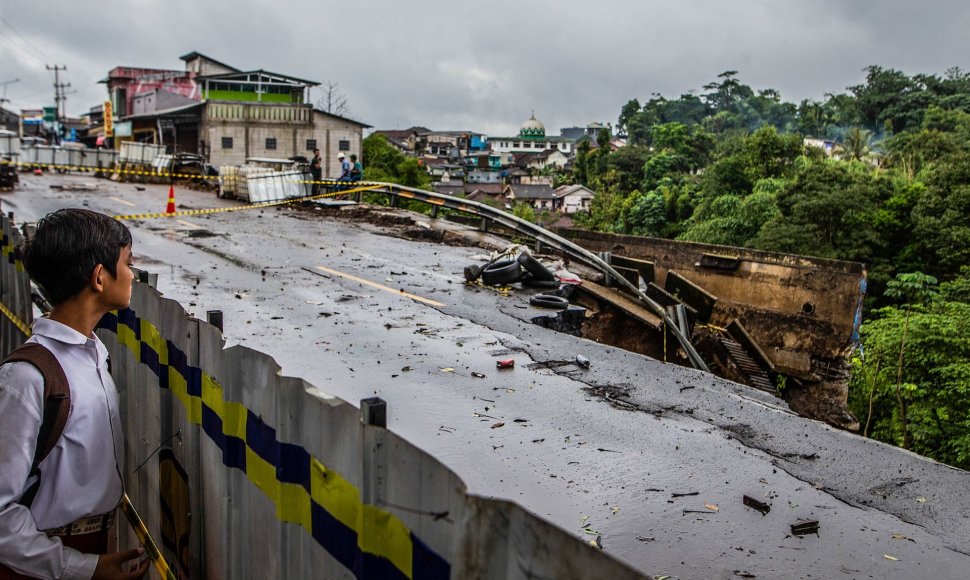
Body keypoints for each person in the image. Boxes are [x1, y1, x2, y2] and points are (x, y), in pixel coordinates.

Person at [0, 209, 149, 579]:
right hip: (37, 565)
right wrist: (82, 568)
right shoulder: (27, 379)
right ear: (100, 277)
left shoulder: (94, 355)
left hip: (88, 551)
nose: (134, 274)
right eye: (127, 263)